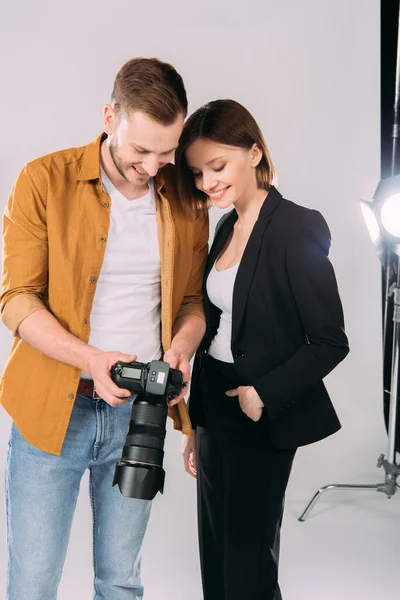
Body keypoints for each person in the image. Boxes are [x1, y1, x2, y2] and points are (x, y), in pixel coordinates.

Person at [0, 57, 208, 600]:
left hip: (139, 414)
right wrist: (90, 358)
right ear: (110, 116)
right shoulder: (44, 179)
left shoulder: (184, 197)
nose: (154, 165)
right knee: (33, 583)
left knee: (121, 580)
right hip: (53, 411)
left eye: (167, 152)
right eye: (141, 150)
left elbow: (191, 301)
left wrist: (183, 348)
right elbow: (17, 299)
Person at [175, 99, 349, 600]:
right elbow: (217, 326)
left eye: (218, 166)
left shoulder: (297, 227)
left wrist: (263, 394)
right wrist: (195, 420)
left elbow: (330, 341)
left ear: (254, 152)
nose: (208, 182)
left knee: (248, 557)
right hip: (213, 408)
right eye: (198, 172)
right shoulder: (226, 225)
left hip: (261, 413)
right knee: (215, 549)